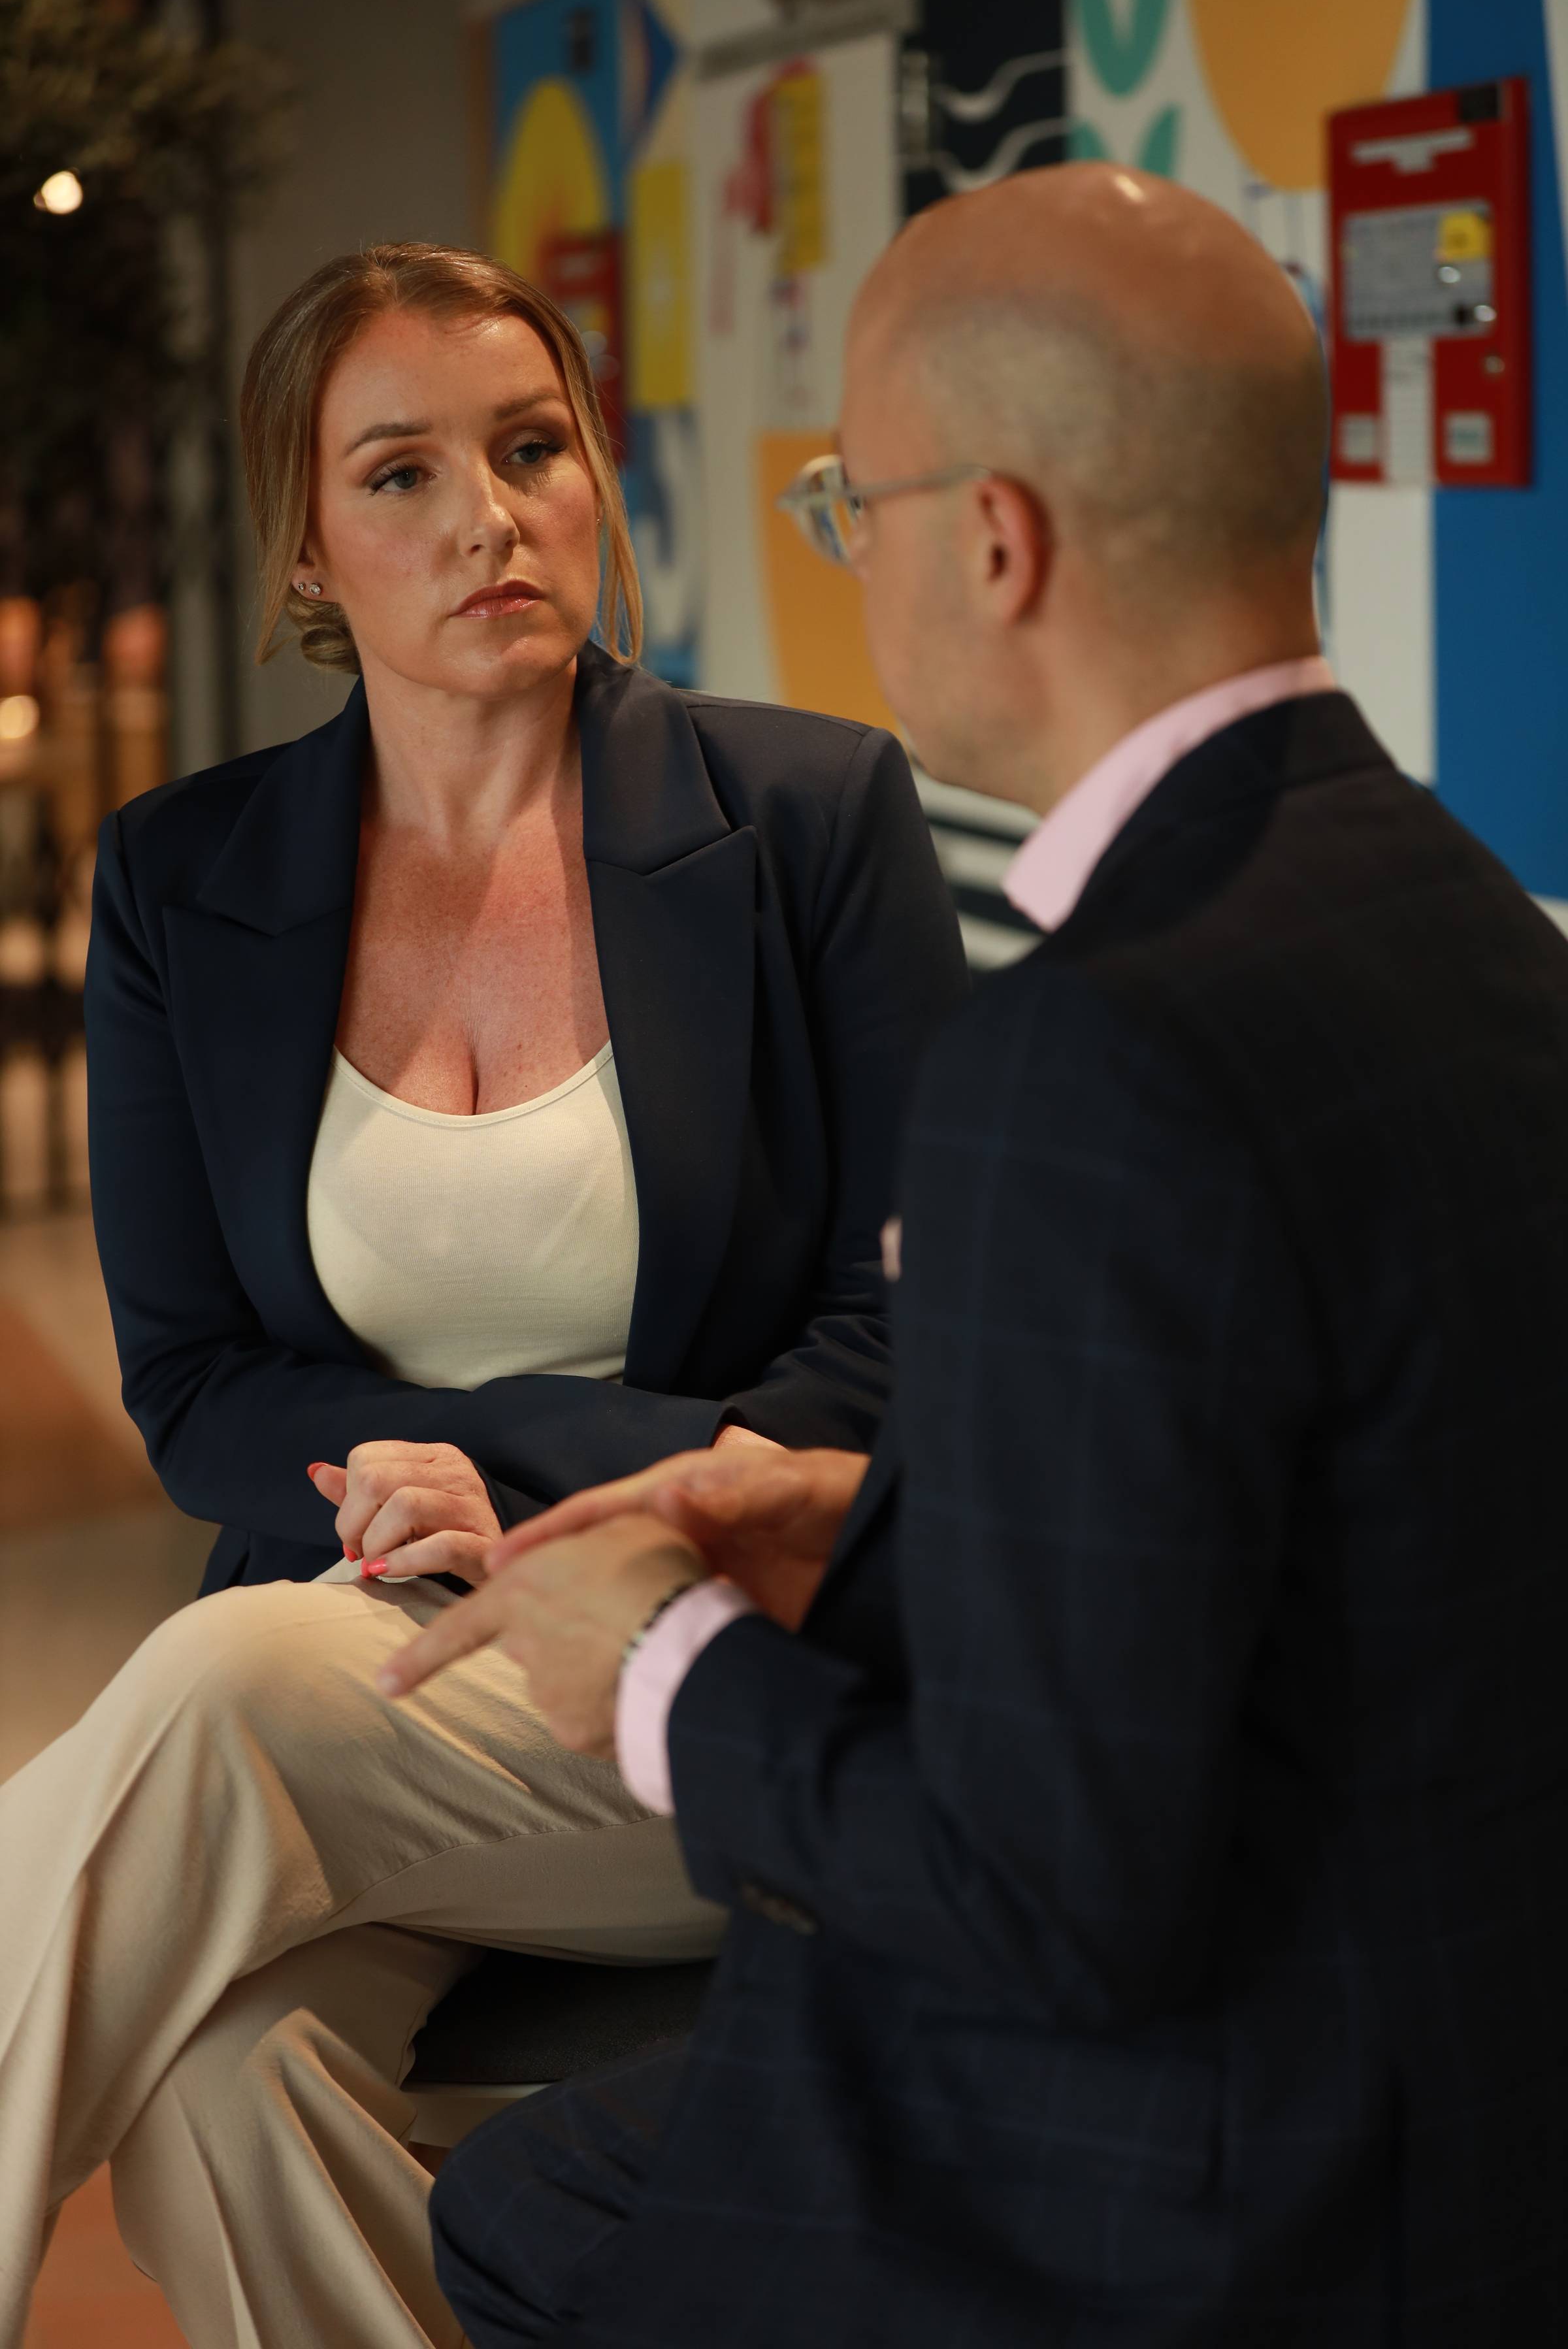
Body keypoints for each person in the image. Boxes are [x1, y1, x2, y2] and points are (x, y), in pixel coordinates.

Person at [393, 165, 1568, 2344]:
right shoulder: (1478, 933)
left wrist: (657, 1665)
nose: (850, 558)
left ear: (997, 542)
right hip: (1472, 2090)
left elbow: (1049, 1903)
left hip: (1231, 2188)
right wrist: (873, 1527)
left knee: (529, 2216)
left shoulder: (1094, 1051)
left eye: (852, 504)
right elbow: (1339, 1554)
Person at [0, 245, 967, 2349]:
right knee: (225, 2086)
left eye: (531, 450)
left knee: (222, 1682)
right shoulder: (181, 876)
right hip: (376, 1660)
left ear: (594, 473)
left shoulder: (811, 818)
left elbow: (911, 1331)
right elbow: (193, 1382)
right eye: (402, 473)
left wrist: (516, 1480)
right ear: (306, 546)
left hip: (714, 1664)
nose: (489, 519)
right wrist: (398, 1496)